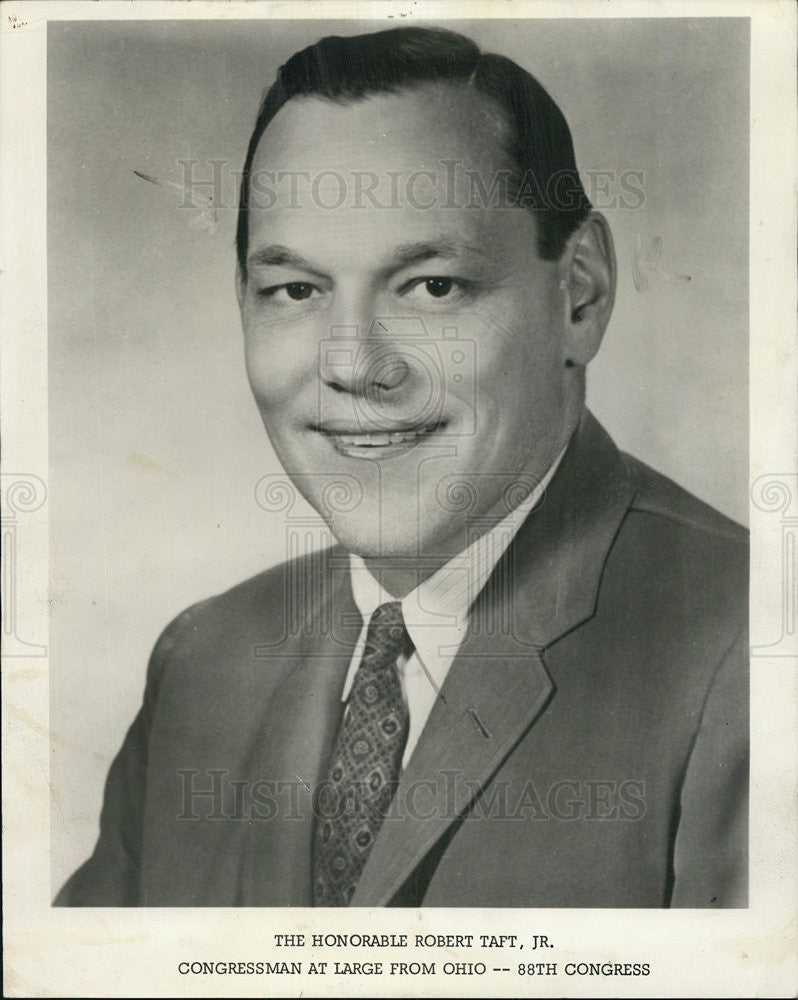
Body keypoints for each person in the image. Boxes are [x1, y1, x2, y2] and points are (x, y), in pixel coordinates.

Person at [55, 25, 748, 908]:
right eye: (295, 291)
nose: (354, 363)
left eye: (431, 286)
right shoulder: (206, 659)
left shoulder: (753, 660)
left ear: (580, 294)